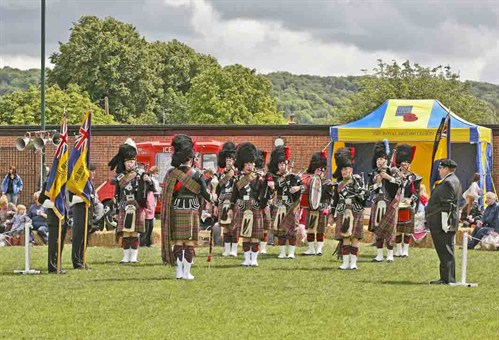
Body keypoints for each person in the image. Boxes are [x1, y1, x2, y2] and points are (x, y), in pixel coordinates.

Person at [161, 134, 214, 280]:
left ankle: (179, 272)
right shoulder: (197, 174)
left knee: (178, 242)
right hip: (191, 210)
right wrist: (214, 201)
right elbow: (205, 193)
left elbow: (165, 196)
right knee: (189, 242)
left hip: (176, 210)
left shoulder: (171, 174)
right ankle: (186, 273)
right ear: (190, 158)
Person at [109, 138, 154, 264]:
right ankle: (125, 256)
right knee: (125, 232)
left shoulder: (140, 174)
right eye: (128, 161)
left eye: (132, 161)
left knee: (134, 232)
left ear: (135, 162)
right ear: (124, 162)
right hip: (124, 204)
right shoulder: (120, 176)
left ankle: (133, 256)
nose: (130, 164)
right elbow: (116, 191)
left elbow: (152, 188)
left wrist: (148, 180)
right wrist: (117, 208)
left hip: (136, 204)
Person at [228, 142, 270, 267]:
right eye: (246, 164)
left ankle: (254, 259)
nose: (249, 166)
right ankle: (247, 259)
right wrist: (231, 208)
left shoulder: (259, 178)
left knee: (255, 236)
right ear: (242, 164)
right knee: (246, 235)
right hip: (242, 207)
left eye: (251, 163)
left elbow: (264, 194)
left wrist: (261, 204)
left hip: (255, 207)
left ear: (254, 164)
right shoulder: (238, 179)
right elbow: (234, 195)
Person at [426, 159, 462, 285]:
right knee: (446, 250)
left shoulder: (448, 182)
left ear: (447, 169)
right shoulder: (452, 180)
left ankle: (447, 278)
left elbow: (447, 205)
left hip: (442, 221)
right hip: (444, 220)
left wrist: (443, 222)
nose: (439, 170)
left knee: (444, 250)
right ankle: (447, 277)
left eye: (441, 168)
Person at [332, 147, 367, 270]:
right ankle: (345, 263)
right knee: (345, 236)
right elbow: (335, 200)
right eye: (342, 169)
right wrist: (333, 213)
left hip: (356, 210)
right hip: (343, 210)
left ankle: (353, 263)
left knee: (355, 237)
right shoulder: (338, 184)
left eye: (346, 169)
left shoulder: (357, 180)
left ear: (351, 170)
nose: (344, 171)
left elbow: (364, 197)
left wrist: (360, 191)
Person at [368, 141, 401, 262]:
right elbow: (369, 189)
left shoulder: (393, 171)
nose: (379, 161)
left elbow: (400, 183)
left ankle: (390, 254)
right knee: (378, 230)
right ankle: (379, 254)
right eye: (378, 159)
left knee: (390, 230)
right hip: (377, 202)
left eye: (381, 159)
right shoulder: (373, 173)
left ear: (386, 160)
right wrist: (377, 184)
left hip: (390, 204)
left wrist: (389, 178)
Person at [267, 145, 302, 259]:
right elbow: (272, 188)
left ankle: (291, 252)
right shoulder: (275, 178)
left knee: (292, 230)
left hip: (292, 206)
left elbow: (304, 187)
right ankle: (282, 252)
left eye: (283, 164)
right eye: (280, 164)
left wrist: (297, 188)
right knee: (281, 230)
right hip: (280, 205)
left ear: (287, 164)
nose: (282, 166)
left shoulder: (294, 177)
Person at [393, 144, 422, 258]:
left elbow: (417, 192)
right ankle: (398, 249)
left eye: (407, 163)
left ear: (410, 164)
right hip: (397, 204)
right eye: (403, 163)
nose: (405, 165)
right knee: (398, 229)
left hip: (408, 205)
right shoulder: (395, 176)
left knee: (407, 229)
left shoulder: (415, 177)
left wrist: (410, 200)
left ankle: (406, 250)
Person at [299, 150, 328, 256]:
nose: (321, 172)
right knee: (310, 229)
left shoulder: (326, 182)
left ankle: (319, 249)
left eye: (323, 170)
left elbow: (329, 197)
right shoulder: (309, 180)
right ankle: (311, 249)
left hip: (321, 208)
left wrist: (327, 208)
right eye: (319, 169)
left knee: (320, 230)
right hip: (311, 207)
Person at [215, 141, 238, 256]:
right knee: (226, 227)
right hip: (223, 200)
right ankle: (227, 250)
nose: (229, 162)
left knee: (233, 227)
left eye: (231, 160)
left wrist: (233, 173)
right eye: (227, 160)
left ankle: (234, 250)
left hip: (233, 201)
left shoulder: (238, 174)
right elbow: (217, 189)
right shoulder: (220, 174)